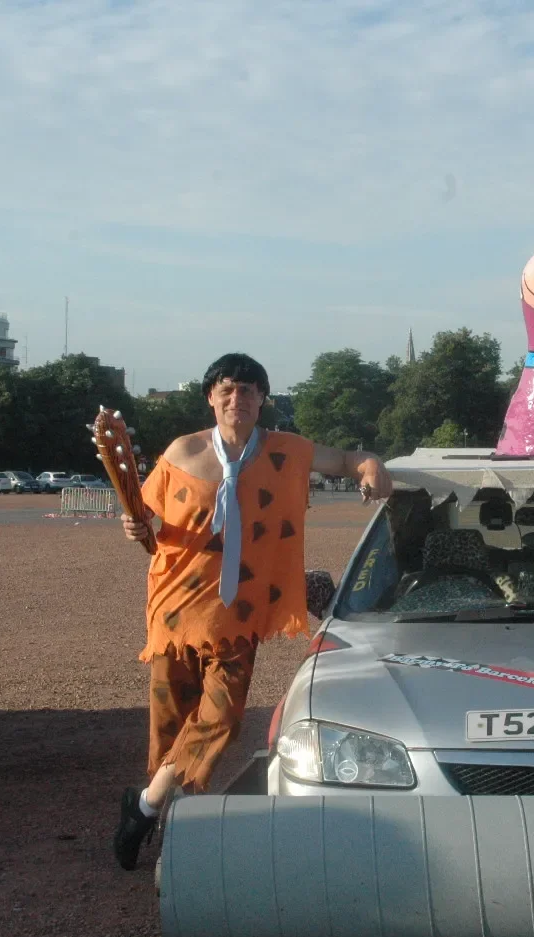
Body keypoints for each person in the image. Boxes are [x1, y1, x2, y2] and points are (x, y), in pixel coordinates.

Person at [111, 352, 393, 870]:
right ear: (210, 398)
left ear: (263, 399)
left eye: (247, 390)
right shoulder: (182, 453)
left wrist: (371, 464)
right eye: (226, 389)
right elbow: (146, 525)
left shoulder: (287, 451)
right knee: (171, 720)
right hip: (177, 608)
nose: (236, 398)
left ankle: (145, 805)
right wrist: (135, 530)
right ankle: (169, 821)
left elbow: (347, 459)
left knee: (220, 719)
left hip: (238, 612)